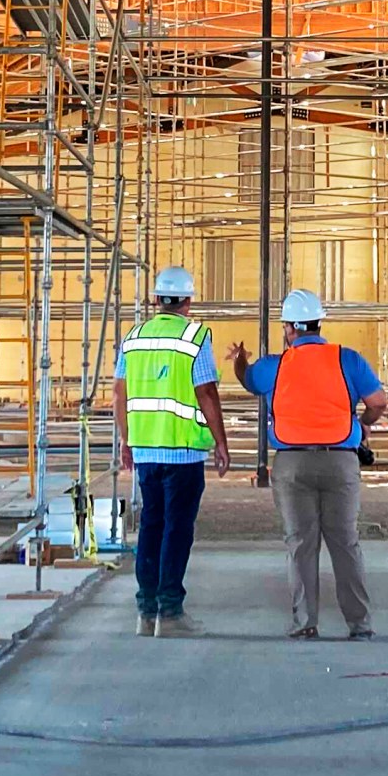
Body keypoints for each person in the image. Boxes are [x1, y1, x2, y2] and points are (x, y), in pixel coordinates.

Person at [230, 289, 388, 641]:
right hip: (341, 463)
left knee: (301, 544)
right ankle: (360, 625)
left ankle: (305, 624)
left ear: (289, 328)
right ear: (319, 323)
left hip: (292, 465)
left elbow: (247, 379)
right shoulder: (348, 359)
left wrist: (240, 358)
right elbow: (379, 402)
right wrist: (362, 424)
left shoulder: (275, 365)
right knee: (345, 542)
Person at [115, 265, 231, 638]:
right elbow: (206, 391)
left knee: (151, 526)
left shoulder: (133, 337)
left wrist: (125, 439)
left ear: (155, 299)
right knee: (177, 529)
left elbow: (119, 392)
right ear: (188, 300)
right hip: (182, 453)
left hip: (146, 450)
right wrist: (221, 442)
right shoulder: (195, 336)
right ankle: (170, 612)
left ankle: (145, 612)